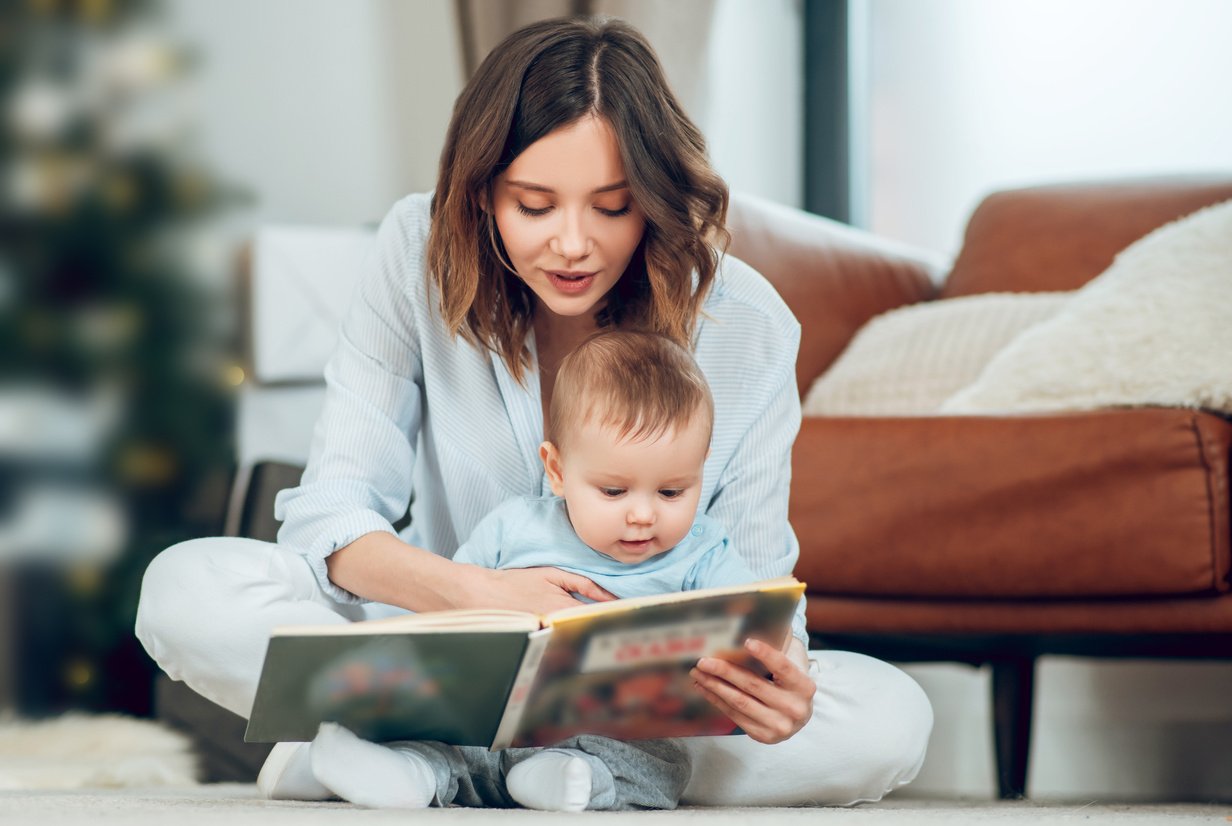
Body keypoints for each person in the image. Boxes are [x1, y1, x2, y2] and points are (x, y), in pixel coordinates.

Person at [135, 15, 932, 807]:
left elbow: (757, 591)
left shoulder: (746, 323)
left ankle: (387, 755)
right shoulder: (416, 251)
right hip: (437, 643)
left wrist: (775, 684)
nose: (573, 245)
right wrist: (477, 595)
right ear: (482, 194)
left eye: (612, 208)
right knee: (185, 589)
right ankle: (482, 761)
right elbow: (332, 517)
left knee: (888, 720)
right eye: (535, 205)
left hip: (640, 705)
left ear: (654, 200)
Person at [308, 329, 769, 811]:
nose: (642, 515)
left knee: (662, 764)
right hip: (493, 722)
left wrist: (771, 655)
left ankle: (567, 780)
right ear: (557, 470)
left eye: (672, 492)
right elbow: (446, 620)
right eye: (614, 492)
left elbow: (760, 622)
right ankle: (401, 774)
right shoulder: (514, 528)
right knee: (441, 742)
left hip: (618, 732)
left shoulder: (704, 552)